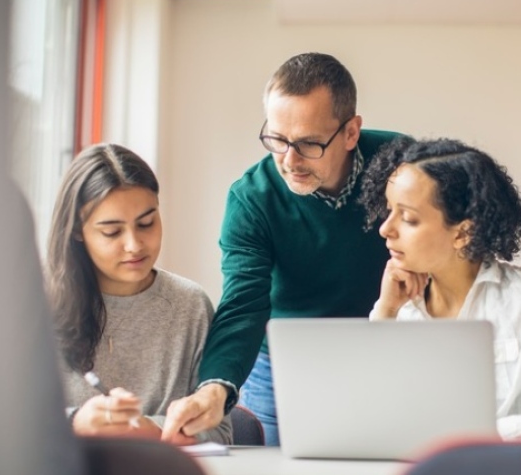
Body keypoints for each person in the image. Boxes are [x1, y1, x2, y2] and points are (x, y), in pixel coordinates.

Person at [161, 52, 402, 446]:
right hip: (280, 365)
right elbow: (243, 303)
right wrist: (213, 388)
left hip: (383, 345)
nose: (289, 161)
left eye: (308, 144)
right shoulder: (251, 199)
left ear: (351, 132)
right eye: (276, 139)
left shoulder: (400, 164)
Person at [358, 136, 521, 440]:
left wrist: (488, 437)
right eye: (388, 210)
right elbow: (368, 419)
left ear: (463, 233)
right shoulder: (399, 311)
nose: (385, 228)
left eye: (407, 218)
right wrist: (385, 312)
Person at [46, 143, 232, 445]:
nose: (134, 245)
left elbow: (221, 431)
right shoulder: (38, 306)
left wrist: (150, 429)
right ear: (78, 231)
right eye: (112, 232)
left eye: (146, 223)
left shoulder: (190, 306)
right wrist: (74, 421)